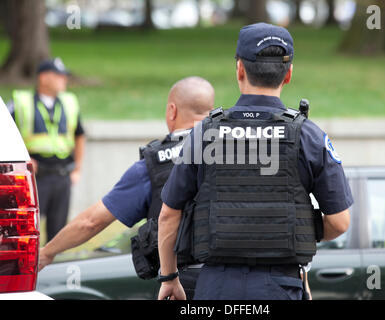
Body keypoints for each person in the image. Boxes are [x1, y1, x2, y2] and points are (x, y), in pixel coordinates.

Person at [157, 23, 353, 300]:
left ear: (239, 69)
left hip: (216, 286)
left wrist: (169, 277)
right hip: (281, 286)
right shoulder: (309, 136)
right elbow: (340, 222)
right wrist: (295, 231)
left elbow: (168, 215)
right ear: (288, 75)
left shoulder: (205, 132)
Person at [38, 76, 215, 300]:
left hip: (182, 284)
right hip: (236, 282)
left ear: (172, 111)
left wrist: (47, 252)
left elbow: (91, 222)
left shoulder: (155, 164)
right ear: (211, 112)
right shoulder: (236, 152)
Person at [7, 57, 85, 242]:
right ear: (43, 78)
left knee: (58, 233)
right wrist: (21, 161)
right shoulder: (21, 102)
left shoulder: (69, 102)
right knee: (26, 230)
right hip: (34, 177)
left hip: (62, 176)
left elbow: (80, 135)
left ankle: (54, 268)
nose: (64, 79)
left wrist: (78, 169)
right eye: (58, 75)